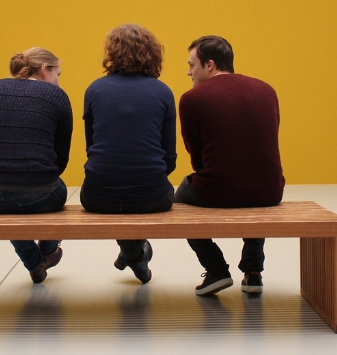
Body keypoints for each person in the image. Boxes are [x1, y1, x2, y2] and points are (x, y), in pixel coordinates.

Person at [175, 35, 286, 296]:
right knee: (254, 185)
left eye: (192, 65)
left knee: (178, 200)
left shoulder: (192, 99)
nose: (189, 72)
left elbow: (197, 159)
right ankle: (253, 271)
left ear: (210, 65)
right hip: (270, 191)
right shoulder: (267, 90)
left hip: (218, 190)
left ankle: (216, 269)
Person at [0, 47, 73, 283]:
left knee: (9, 205)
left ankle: (34, 263)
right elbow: (60, 160)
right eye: (57, 74)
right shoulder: (56, 96)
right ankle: (48, 251)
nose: (58, 81)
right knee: (52, 190)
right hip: (37, 195)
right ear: (44, 69)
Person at [80, 24, 177, 284]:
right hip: (153, 196)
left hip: (97, 196)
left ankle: (133, 254)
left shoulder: (94, 90)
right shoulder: (163, 92)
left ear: (111, 51)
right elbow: (169, 159)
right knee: (145, 194)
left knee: (119, 194)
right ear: (153, 53)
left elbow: (92, 148)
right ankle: (134, 255)